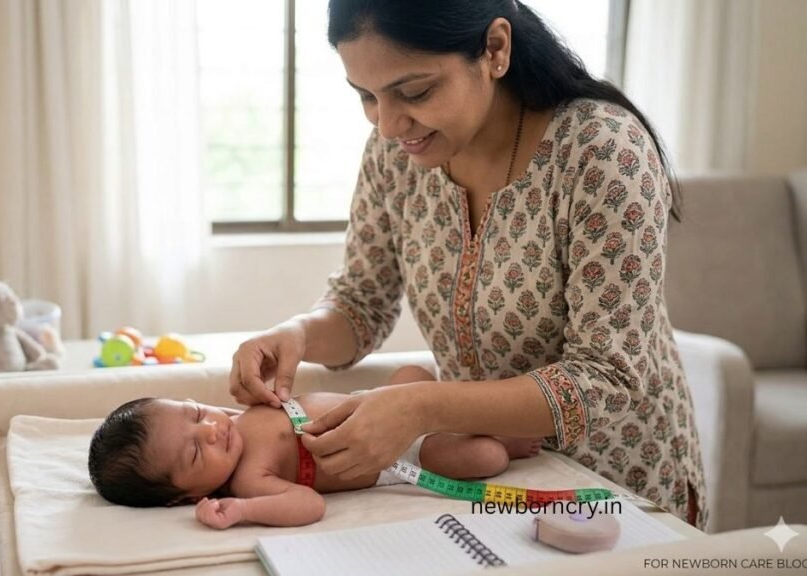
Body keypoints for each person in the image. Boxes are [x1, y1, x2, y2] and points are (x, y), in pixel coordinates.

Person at [229, 0, 707, 529]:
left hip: (615, 488)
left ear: (495, 49)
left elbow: (606, 380)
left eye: (415, 92)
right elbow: (361, 303)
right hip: (484, 485)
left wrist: (421, 407)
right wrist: (297, 334)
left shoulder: (602, 152)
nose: (387, 125)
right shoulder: (396, 156)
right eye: (366, 96)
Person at [88, 366, 540, 529]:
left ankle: (475, 414)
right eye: (194, 454)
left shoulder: (234, 419)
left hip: (378, 404)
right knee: (486, 457)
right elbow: (309, 505)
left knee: (413, 376)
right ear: (187, 497)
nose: (210, 430)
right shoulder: (249, 480)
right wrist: (243, 511)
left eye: (194, 413)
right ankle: (506, 438)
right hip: (395, 459)